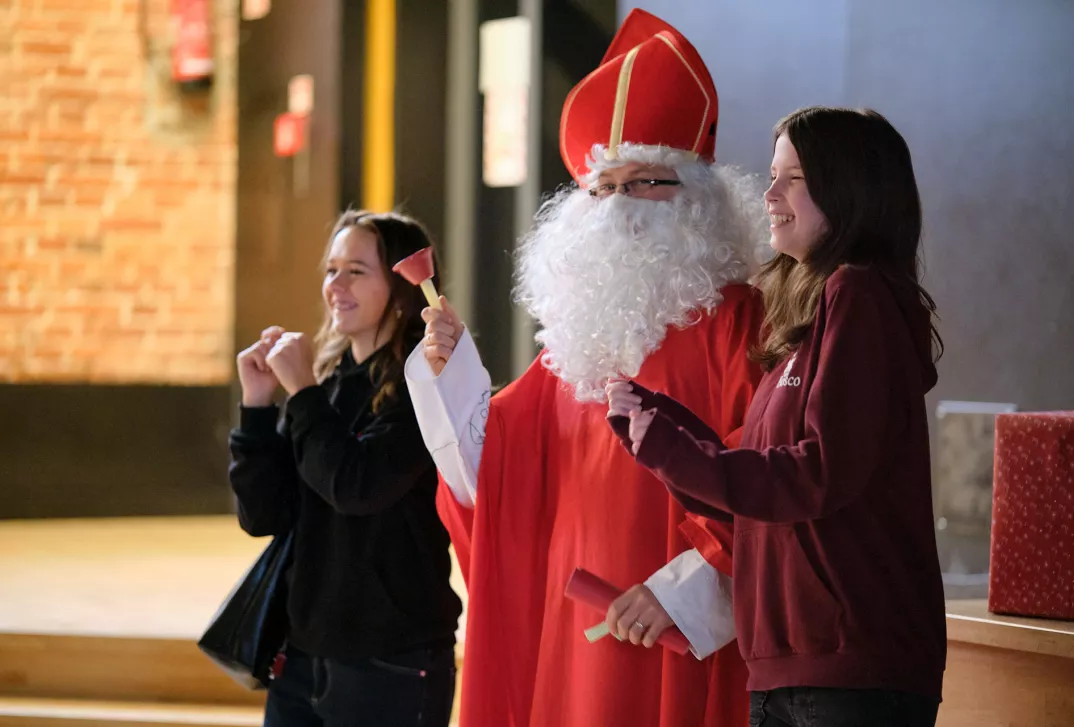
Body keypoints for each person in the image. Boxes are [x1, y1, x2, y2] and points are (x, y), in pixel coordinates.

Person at [404, 9, 768, 727]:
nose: (619, 208)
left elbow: (772, 483)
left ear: (702, 198)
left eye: (648, 182)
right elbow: (500, 472)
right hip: (574, 635)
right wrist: (453, 377)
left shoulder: (737, 323)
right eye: (604, 187)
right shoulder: (572, 345)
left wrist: (683, 591)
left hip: (677, 630)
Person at [607, 107, 947, 727]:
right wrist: (661, 430)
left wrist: (676, 450)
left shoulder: (859, 294)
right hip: (790, 664)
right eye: (772, 176)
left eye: (792, 178)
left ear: (848, 189)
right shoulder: (805, 318)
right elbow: (762, 496)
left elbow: (817, 475)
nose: (769, 195)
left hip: (851, 667)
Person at [228, 210, 462, 727]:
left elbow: (357, 486)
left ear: (402, 290)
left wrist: (304, 393)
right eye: (331, 269)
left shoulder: (425, 388)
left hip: (392, 663)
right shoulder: (330, 381)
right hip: (303, 658)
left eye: (356, 270)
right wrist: (258, 407)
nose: (335, 285)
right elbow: (263, 515)